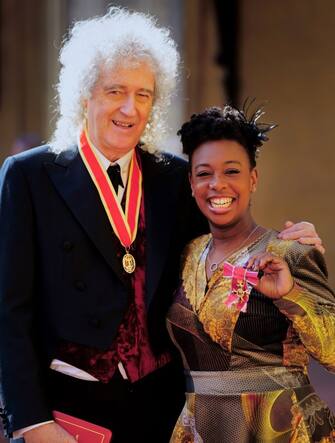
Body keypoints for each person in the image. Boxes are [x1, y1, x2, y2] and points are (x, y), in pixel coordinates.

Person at [0, 7, 323, 443]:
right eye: (115, 91)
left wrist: (290, 250)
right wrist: (33, 422)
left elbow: (220, 255)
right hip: (67, 413)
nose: (130, 109)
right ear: (84, 94)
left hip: (163, 414)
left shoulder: (173, 176)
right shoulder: (28, 175)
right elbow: (9, 311)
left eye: (144, 94)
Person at [167, 105, 335, 443]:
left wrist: (291, 295)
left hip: (282, 429)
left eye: (232, 171)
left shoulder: (290, 251)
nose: (217, 185)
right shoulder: (186, 254)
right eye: (204, 174)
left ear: (253, 178)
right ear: (191, 182)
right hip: (200, 429)